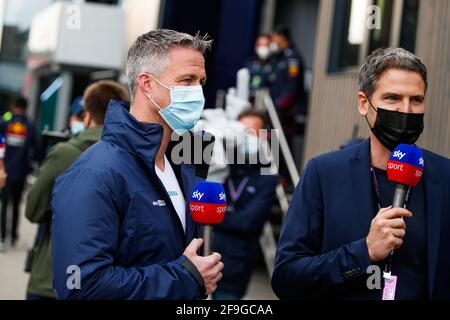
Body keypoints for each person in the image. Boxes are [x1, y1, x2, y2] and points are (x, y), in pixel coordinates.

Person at [51, 29, 223, 300]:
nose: (197, 93)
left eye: (200, 81)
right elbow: (80, 286)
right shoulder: (94, 173)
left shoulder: (183, 168)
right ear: (146, 84)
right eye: (186, 80)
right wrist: (186, 277)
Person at [272, 47, 450, 300]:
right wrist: (363, 251)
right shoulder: (324, 174)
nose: (406, 110)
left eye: (416, 100)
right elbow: (286, 277)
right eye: (392, 98)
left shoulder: (444, 176)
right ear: (364, 103)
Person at [25, 81, 128, 300]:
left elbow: (33, 210)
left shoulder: (65, 153)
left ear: (87, 116)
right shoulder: (132, 157)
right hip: (107, 284)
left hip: (52, 280)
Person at [212, 109, 278, 300]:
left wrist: (212, 213)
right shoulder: (221, 168)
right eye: (240, 131)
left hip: (234, 271)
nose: (244, 137)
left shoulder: (266, 178)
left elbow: (247, 223)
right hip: (203, 260)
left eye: (250, 132)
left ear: (264, 137)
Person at [0, 97, 36, 251]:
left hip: (5, 171)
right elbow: (37, 150)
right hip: (21, 172)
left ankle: (2, 238)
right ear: (26, 107)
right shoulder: (31, 126)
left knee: (4, 204)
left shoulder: (4, 123)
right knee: (16, 204)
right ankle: (13, 236)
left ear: (13, 106)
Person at [268, 26, 307, 139]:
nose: (272, 42)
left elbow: (292, 86)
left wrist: (280, 105)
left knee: (283, 144)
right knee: (272, 143)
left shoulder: (292, 58)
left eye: (273, 38)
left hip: (287, 112)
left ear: (281, 38)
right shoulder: (278, 57)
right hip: (276, 109)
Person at [246, 34, 273, 102]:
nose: (263, 48)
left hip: (269, 104)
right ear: (256, 47)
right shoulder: (250, 64)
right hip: (251, 101)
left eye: (266, 45)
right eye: (260, 45)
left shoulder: (276, 65)